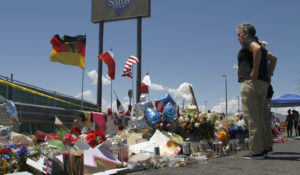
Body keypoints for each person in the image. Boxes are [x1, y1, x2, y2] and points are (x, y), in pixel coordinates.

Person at [236, 22, 269, 159]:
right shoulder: (261, 45)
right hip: (262, 83)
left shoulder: (249, 42)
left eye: (238, 35)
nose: (238, 38)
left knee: (252, 118)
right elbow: (273, 58)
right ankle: (265, 148)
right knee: (260, 118)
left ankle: (257, 152)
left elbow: (256, 49)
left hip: (251, 83)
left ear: (245, 33)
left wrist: (254, 70)